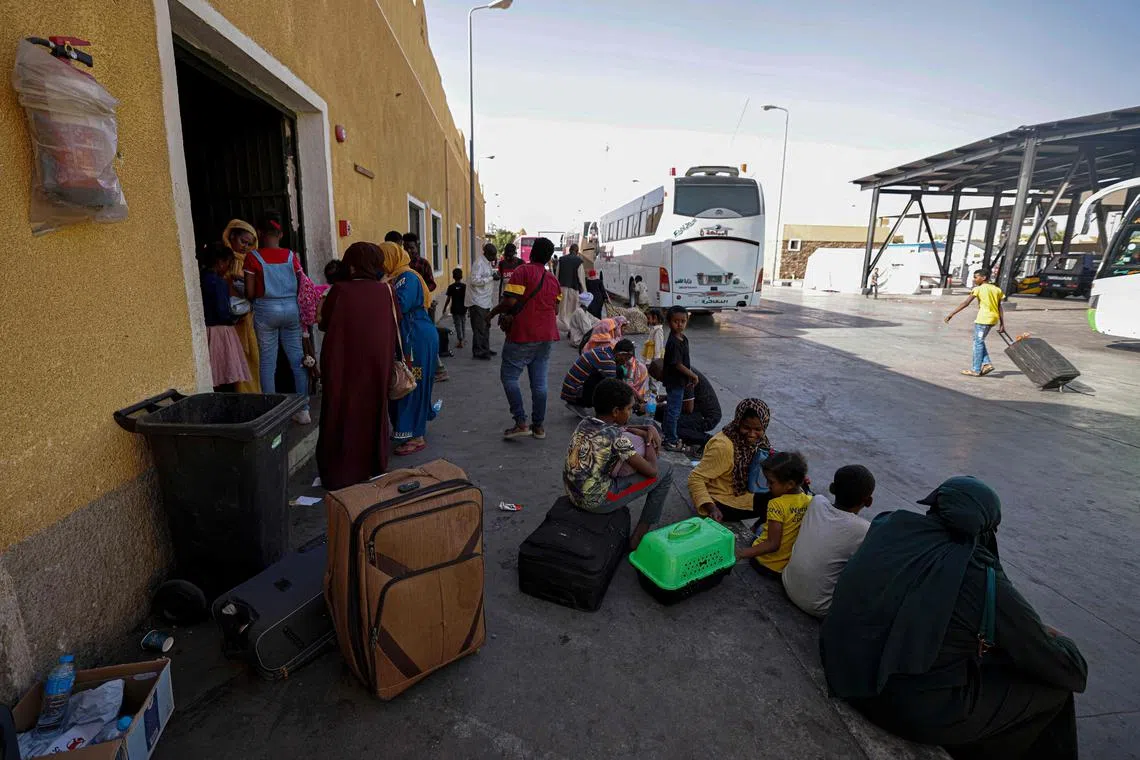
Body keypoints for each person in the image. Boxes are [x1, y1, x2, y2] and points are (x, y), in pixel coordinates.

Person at [822, 477, 1087, 760]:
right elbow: (1065, 668)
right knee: (1057, 690)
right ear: (986, 527)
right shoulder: (978, 574)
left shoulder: (889, 527)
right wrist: (1064, 642)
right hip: (901, 708)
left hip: (844, 672)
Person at [316, 242, 398, 490]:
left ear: (351, 264)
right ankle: (372, 464)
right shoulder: (386, 292)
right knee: (372, 409)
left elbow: (323, 323)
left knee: (341, 409)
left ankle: (341, 469)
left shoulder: (340, 291)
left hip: (343, 363)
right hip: (376, 363)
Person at [564, 378, 672, 551]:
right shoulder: (616, 439)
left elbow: (622, 427)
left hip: (571, 491)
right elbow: (652, 471)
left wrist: (648, 429)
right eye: (629, 409)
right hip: (596, 501)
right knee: (666, 471)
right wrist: (649, 441)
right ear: (615, 411)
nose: (631, 413)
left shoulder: (585, 422)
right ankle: (638, 538)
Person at [489, 236, 561, 440]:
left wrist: (492, 313)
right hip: (546, 336)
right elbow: (555, 309)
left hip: (522, 334)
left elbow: (510, 302)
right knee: (539, 383)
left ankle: (521, 421)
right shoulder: (553, 280)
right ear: (548, 258)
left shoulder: (523, 271)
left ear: (533, 253)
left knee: (509, 377)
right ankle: (538, 426)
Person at [780, 465, 874, 617]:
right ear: (868, 501)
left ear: (832, 488)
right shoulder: (864, 529)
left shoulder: (817, 502)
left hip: (788, 584)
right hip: (820, 608)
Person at [244, 210, 310, 424]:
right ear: (280, 234)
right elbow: (302, 284)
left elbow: (250, 292)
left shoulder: (252, 257)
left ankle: (272, 415)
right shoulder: (292, 256)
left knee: (268, 363)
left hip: (266, 310)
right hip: (291, 308)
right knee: (298, 361)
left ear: (260, 233)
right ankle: (304, 410)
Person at [381, 241, 439, 456]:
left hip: (416, 339)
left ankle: (416, 436)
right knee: (413, 381)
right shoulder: (398, 277)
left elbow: (399, 306)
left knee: (412, 382)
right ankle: (413, 427)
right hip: (414, 336)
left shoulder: (406, 277)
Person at [689, 398, 771, 523]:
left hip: (742, 493)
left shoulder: (759, 442)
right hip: (721, 501)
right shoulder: (723, 447)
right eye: (746, 428)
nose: (751, 434)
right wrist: (711, 508)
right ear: (738, 422)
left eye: (758, 430)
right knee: (780, 501)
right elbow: (695, 478)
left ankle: (758, 529)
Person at [734, 451, 811, 575]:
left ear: (790, 484)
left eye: (771, 482)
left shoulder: (776, 504)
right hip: (784, 566)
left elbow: (772, 544)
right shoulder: (809, 500)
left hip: (765, 564)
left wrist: (742, 553)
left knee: (758, 532)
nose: (767, 485)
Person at [200, 243, 252, 392]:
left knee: (212, 374)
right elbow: (222, 310)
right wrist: (235, 318)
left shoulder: (201, 277)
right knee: (225, 373)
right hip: (221, 332)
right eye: (228, 264)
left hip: (206, 330)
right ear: (220, 262)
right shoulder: (219, 282)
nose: (228, 269)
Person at [221, 219, 260, 392]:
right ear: (232, 236)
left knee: (252, 357)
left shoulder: (251, 261)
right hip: (231, 319)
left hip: (248, 318)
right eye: (242, 242)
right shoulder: (224, 259)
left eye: (249, 244)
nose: (245, 247)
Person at [945, 269, 1006, 377]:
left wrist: (952, 313)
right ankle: (987, 364)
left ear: (984, 278)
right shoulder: (997, 289)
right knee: (979, 341)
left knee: (978, 343)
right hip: (993, 319)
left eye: (976, 277)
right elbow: (999, 307)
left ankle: (976, 369)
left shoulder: (978, 289)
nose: (974, 279)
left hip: (983, 319)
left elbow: (966, 303)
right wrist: (1002, 323)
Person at [404, 232, 446, 383]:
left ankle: (437, 369)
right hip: (408, 311)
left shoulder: (422, 263)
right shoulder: (403, 265)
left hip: (422, 308)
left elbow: (432, 283)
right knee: (414, 343)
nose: (409, 251)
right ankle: (415, 374)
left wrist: (421, 291)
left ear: (417, 247)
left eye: (412, 247)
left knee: (423, 340)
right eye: (406, 248)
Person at [648, 360, 720, 448]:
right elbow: (683, 396)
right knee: (658, 412)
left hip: (708, 417)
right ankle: (690, 434)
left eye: (660, 378)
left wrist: (660, 406)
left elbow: (688, 408)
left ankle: (708, 440)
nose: (661, 382)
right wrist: (665, 398)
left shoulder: (682, 377)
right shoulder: (674, 372)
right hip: (696, 408)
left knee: (670, 426)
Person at [561, 339, 636, 411]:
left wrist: (636, 395)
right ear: (620, 354)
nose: (626, 361)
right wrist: (632, 403)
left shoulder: (606, 351)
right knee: (612, 389)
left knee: (618, 371)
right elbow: (615, 387)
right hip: (573, 393)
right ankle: (580, 404)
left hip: (572, 388)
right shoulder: (608, 362)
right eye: (627, 357)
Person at [662, 306, 697, 451]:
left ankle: (667, 435)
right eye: (676, 321)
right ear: (669, 322)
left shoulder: (683, 339)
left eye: (683, 321)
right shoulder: (673, 342)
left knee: (671, 409)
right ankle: (671, 440)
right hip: (674, 381)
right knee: (674, 411)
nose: (680, 324)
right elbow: (677, 364)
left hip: (680, 381)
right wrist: (692, 375)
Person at [467, 243, 498, 360]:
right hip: (477, 300)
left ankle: (485, 348)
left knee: (486, 326)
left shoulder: (487, 263)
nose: (495, 258)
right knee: (479, 327)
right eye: (493, 255)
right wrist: (491, 278)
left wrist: (493, 275)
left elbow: (485, 276)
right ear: (487, 254)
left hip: (485, 300)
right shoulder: (479, 263)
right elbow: (474, 280)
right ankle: (478, 351)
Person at [556, 243, 586, 334]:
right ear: (577, 252)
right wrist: (585, 291)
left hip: (562, 288)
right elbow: (581, 278)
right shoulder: (579, 261)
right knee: (572, 310)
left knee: (562, 310)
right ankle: (571, 330)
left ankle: (563, 326)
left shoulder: (561, 260)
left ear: (569, 250)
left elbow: (557, 275)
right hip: (574, 289)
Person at [642, 308, 665, 397]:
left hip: (654, 360)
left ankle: (654, 398)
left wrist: (656, 362)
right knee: (650, 379)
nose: (648, 320)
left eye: (649, 318)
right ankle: (652, 397)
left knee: (654, 380)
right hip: (650, 359)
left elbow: (658, 348)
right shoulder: (654, 329)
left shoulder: (658, 331)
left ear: (655, 318)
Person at [443, 268, 468, 350]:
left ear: (453, 276)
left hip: (455, 309)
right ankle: (463, 339)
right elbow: (468, 298)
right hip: (463, 308)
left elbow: (448, 299)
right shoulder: (465, 287)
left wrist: (444, 308)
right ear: (461, 276)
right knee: (463, 323)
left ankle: (460, 340)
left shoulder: (451, 287)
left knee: (457, 325)